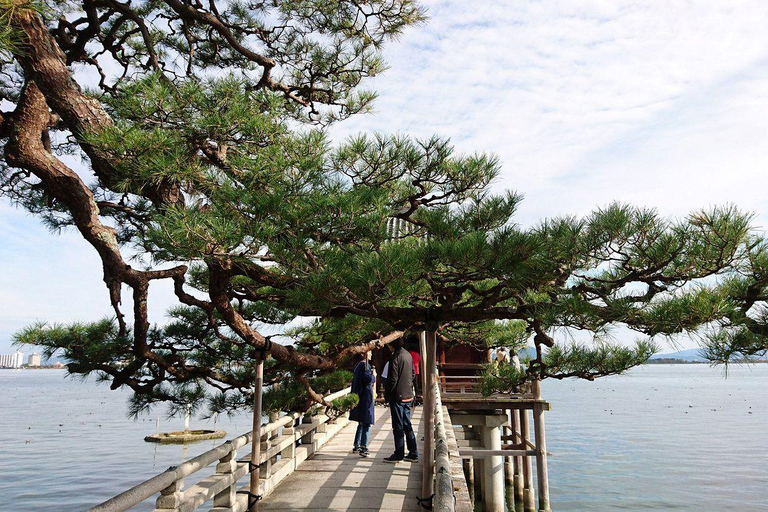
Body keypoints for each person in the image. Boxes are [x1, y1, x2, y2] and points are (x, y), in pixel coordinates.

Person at [383, 336, 419, 463]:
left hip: (397, 396)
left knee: (398, 426)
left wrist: (387, 395)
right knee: (407, 424)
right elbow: (413, 374)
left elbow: (392, 379)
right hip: (408, 394)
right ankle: (413, 452)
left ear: (391, 344)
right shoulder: (408, 355)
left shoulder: (395, 357)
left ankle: (399, 453)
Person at [350, 353, 375, 457]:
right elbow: (368, 379)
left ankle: (357, 444)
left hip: (359, 396)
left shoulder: (357, 365)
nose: (371, 354)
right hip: (365, 397)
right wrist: (373, 376)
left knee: (361, 422)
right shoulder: (365, 365)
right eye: (369, 352)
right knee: (366, 422)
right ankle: (363, 446)